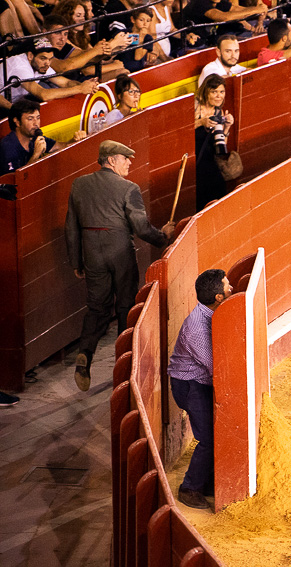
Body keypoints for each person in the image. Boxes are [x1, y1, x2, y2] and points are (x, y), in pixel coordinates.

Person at [64, 140, 176, 391]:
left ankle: (85, 354)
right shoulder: (129, 188)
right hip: (119, 251)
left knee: (97, 307)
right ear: (111, 160)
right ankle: (122, 367)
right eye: (125, 158)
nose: (129, 163)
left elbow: (71, 227)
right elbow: (141, 228)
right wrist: (164, 236)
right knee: (125, 304)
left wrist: (76, 260)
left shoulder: (79, 184)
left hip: (91, 251)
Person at [168, 268, 233, 510]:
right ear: (218, 298)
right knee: (208, 438)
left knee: (212, 435)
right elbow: (214, 366)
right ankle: (189, 488)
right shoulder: (197, 327)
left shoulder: (210, 315)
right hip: (189, 385)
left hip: (198, 382)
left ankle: (204, 483)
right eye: (227, 286)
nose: (231, 288)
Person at [0, 37, 99, 107]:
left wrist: (87, 86)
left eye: (50, 59)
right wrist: (80, 89)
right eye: (43, 58)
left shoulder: (40, 64)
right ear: (30, 56)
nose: (47, 63)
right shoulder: (20, 68)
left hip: (14, 101)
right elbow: (44, 95)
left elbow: (65, 82)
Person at [0, 99, 87, 175]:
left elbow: (60, 146)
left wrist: (75, 140)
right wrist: (36, 155)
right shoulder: (7, 147)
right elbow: (15, 181)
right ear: (17, 122)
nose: (36, 123)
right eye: (30, 119)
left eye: (38, 118)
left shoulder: (35, 138)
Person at [44, 14, 128, 82]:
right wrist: (103, 47)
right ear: (45, 32)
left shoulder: (63, 45)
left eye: (65, 34)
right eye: (57, 33)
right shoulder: (41, 47)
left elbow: (88, 57)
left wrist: (115, 48)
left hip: (77, 81)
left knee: (124, 72)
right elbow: (65, 67)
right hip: (63, 88)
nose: (62, 39)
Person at [194, 74, 234, 211]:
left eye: (221, 92)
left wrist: (227, 127)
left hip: (210, 162)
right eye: (214, 92)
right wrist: (201, 122)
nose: (219, 96)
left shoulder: (218, 111)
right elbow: (181, 131)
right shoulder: (195, 107)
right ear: (206, 92)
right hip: (195, 164)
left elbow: (221, 146)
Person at [182, 0, 268, 47]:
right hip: (189, 44)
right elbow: (223, 17)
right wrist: (256, 10)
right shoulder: (199, 3)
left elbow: (239, 10)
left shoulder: (219, 2)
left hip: (208, 41)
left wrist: (260, 9)